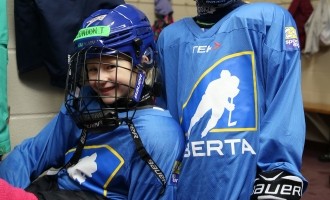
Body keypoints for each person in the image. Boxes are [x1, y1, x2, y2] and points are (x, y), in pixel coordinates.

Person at [0, 4, 184, 200]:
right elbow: (29, 155)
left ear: (144, 58)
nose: (98, 79)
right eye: (93, 69)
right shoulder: (85, 103)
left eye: (110, 66)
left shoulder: (157, 135)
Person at [156, 0, 307, 199]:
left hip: (247, 181)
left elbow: (284, 103)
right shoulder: (170, 38)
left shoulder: (267, 20)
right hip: (188, 182)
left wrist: (278, 172)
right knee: (198, 119)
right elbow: (167, 122)